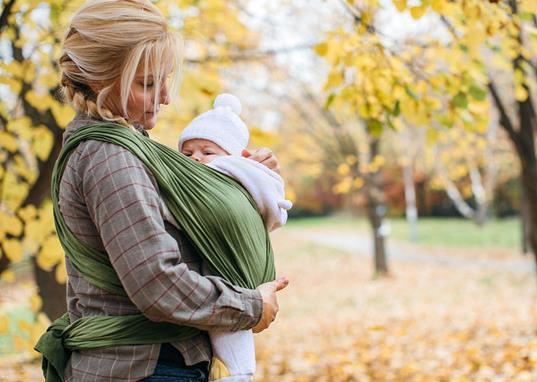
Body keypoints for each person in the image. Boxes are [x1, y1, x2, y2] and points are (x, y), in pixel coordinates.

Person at [34, 1, 288, 381]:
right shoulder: (110, 157)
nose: (165, 97)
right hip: (140, 368)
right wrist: (249, 307)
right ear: (101, 80)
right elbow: (157, 281)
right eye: (148, 83)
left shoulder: (124, 149)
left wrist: (243, 181)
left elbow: (192, 228)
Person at [178, 93, 292, 381]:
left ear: (233, 156)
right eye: (187, 153)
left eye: (207, 151)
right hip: (218, 273)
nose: (196, 159)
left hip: (229, 266)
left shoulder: (228, 174)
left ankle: (236, 373)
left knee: (229, 336)